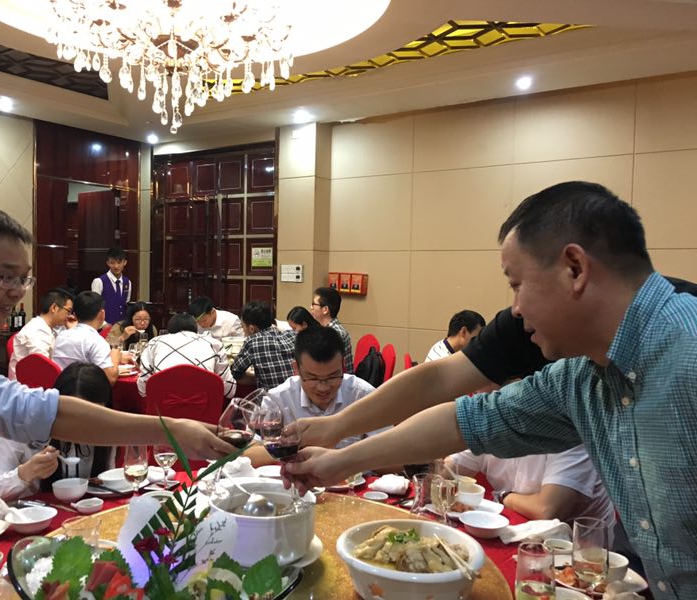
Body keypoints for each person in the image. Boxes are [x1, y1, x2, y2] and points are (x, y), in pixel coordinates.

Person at [285, 181, 697, 599]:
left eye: (517, 284)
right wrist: (339, 456)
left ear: (574, 268)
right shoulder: (581, 377)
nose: (515, 308)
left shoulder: (687, 350)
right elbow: (466, 419)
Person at [0, 204, 234, 495]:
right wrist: (172, 430)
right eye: (6, 277)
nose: (18, 292)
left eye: (23, 279)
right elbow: (34, 411)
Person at [247, 327, 385, 467]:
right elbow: (249, 454)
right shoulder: (279, 399)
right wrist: (298, 445)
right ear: (296, 369)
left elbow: (393, 462)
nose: (323, 388)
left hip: (353, 478)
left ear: (343, 366)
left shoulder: (363, 395)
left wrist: (342, 456)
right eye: (313, 378)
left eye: (332, 376)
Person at [0, 363, 116, 500]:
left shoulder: (105, 430)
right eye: (75, 416)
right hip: (30, 511)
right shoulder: (22, 425)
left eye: (94, 418)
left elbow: (110, 483)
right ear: (57, 406)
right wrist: (26, 472)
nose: (83, 426)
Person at [447, 447, 615, 530]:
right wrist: (436, 465)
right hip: (516, 531)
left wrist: (505, 497)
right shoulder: (493, 421)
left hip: (580, 551)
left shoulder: (570, 434)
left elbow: (546, 510)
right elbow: (449, 471)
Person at [137, 313, 236, 399]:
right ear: (196, 329)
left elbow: (143, 389)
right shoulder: (214, 344)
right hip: (204, 411)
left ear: (169, 331)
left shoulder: (155, 343)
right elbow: (230, 390)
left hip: (162, 412)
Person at [53, 291, 120, 385]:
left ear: (75, 315)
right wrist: (115, 358)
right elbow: (110, 379)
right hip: (84, 391)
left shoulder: (61, 336)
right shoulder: (96, 341)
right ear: (102, 314)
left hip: (60, 389)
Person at [8, 287, 74, 380]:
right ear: (54, 308)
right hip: (27, 384)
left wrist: (72, 331)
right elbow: (42, 366)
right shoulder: (37, 330)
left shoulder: (49, 329)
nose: (69, 316)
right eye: (68, 311)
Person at [231, 300, 297, 390]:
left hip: (272, 397)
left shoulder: (252, 342)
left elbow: (235, 373)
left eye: (243, 327)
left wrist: (257, 378)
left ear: (251, 329)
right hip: (299, 395)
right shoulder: (292, 335)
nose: (243, 332)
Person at [309, 287, 353, 373]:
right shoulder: (324, 329)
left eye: (313, 304)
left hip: (337, 379)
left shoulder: (335, 333)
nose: (311, 307)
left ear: (325, 310)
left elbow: (323, 365)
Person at [91, 247, 131, 325]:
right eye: (112, 263)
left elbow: (125, 305)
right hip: (104, 327)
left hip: (121, 327)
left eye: (119, 262)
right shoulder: (99, 281)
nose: (116, 266)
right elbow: (94, 308)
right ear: (108, 263)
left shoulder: (127, 282)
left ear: (125, 262)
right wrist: (104, 325)